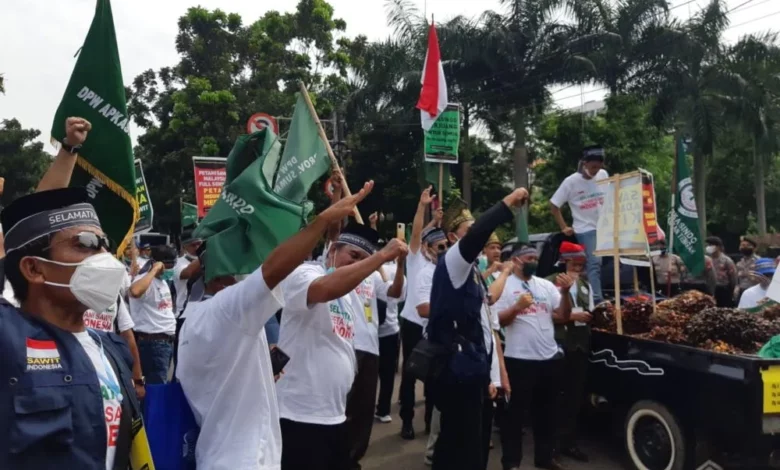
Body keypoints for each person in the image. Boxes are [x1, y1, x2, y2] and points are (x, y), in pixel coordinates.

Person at [177, 183, 373, 470]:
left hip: (220, 453)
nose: (255, 265)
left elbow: (226, 372)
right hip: (246, 460)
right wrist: (322, 221)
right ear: (225, 271)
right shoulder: (227, 309)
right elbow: (273, 270)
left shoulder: (194, 317)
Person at [0, 187, 141, 469]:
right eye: (85, 243)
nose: (103, 256)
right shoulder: (9, 339)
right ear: (34, 269)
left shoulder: (112, 348)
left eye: (104, 244)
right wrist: (68, 151)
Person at [276, 221, 408, 470]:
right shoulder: (305, 273)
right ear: (333, 249)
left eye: (363, 261)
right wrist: (381, 256)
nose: (357, 265)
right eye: (353, 256)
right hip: (299, 414)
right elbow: (324, 289)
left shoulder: (350, 292)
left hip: (333, 414)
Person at [427, 190, 527, 470]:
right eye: (467, 230)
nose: (476, 235)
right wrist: (506, 203)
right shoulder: (454, 262)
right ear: (452, 238)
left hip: (470, 369)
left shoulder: (470, 271)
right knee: (462, 448)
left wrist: (492, 374)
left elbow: (484, 318)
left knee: (465, 445)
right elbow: (481, 231)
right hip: (457, 370)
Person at [494, 242, 574, 470]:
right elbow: (498, 321)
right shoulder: (506, 286)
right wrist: (517, 307)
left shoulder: (545, 286)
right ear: (517, 260)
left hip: (548, 359)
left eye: (535, 259)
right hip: (519, 359)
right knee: (514, 417)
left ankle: (544, 457)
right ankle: (511, 462)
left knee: (547, 413)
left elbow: (562, 315)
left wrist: (566, 294)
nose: (533, 262)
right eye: (529, 258)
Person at [344, 221, 406, 470]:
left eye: (363, 254)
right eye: (354, 254)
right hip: (345, 345)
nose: (357, 259)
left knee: (363, 410)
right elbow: (332, 233)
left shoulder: (373, 275)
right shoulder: (332, 270)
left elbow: (394, 292)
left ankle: (353, 459)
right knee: (342, 409)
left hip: (370, 348)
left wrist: (400, 265)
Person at [399, 187, 442, 439]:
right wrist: (422, 206)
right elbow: (416, 233)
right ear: (426, 246)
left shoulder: (442, 265)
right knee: (410, 373)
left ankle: (429, 422)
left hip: (433, 324)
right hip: (413, 322)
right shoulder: (416, 259)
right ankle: (406, 420)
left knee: (433, 374)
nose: (441, 249)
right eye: (437, 245)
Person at [548, 242, 592, 463]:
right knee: (556, 397)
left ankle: (569, 443)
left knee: (575, 398)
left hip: (580, 347)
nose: (578, 268)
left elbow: (590, 311)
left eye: (581, 265)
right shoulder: (549, 282)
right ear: (565, 261)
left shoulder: (585, 285)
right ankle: (551, 446)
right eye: (574, 264)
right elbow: (544, 314)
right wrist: (572, 317)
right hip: (558, 346)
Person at [549, 146, 609, 304]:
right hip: (585, 228)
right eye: (593, 167)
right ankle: (596, 300)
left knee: (603, 262)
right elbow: (554, 206)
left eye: (599, 166)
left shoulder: (603, 175)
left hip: (604, 226)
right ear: (584, 164)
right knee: (594, 262)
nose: (596, 170)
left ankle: (588, 292)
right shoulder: (571, 182)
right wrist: (564, 227)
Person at [129, 244, 178, 384]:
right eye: (169, 266)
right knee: (156, 388)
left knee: (159, 386)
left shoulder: (161, 281)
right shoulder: (145, 280)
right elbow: (134, 291)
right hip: (153, 343)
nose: (171, 270)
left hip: (165, 342)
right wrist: (154, 270)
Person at [375, 254, 407, 424]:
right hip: (390, 329)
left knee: (370, 375)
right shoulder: (401, 273)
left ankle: (368, 409)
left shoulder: (373, 270)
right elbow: (400, 297)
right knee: (387, 374)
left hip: (377, 330)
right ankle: (383, 409)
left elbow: (395, 293)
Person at [173, 230, 202, 316]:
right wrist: (204, 256)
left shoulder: (207, 260)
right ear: (184, 247)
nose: (197, 247)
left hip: (204, 308)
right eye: (193, 245)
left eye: (199, 244)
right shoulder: (179, 262)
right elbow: (187, 274)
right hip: (185, 310)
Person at [706, 236, 737, 307]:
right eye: (708, 245)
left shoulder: (727, 260)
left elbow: (733, 277)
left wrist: (731, 290)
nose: (708, 247)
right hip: (709, 289)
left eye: (711, 245)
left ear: (718, 247)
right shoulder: (707, 259)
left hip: (723, 289)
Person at [735, 236, 760, 303]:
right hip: (742, 290)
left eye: (748, 245)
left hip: (754, 291)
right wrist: (736, 288)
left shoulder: (758, 261)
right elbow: (737, 278)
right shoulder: (740, 262)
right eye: (742, 245)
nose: (744, 247)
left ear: (754, 248)